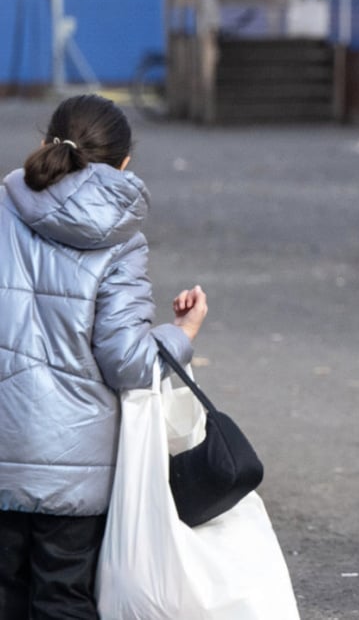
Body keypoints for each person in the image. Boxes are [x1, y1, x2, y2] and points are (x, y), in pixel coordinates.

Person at [0, 94, 208, 618]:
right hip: (76, 467)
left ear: (44, 143)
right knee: (62, 598)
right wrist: (182, 332)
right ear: (124, 163)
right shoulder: (119, 240)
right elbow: (128, 363)